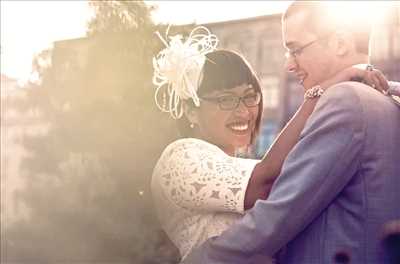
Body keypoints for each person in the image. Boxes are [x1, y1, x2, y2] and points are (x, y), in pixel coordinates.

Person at [183, 2, 400, 264]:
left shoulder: (345, 99)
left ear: (340, 43)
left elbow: (278, 215)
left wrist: (201, 258)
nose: (289, 64)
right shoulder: (387, 99)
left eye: (296, 50)